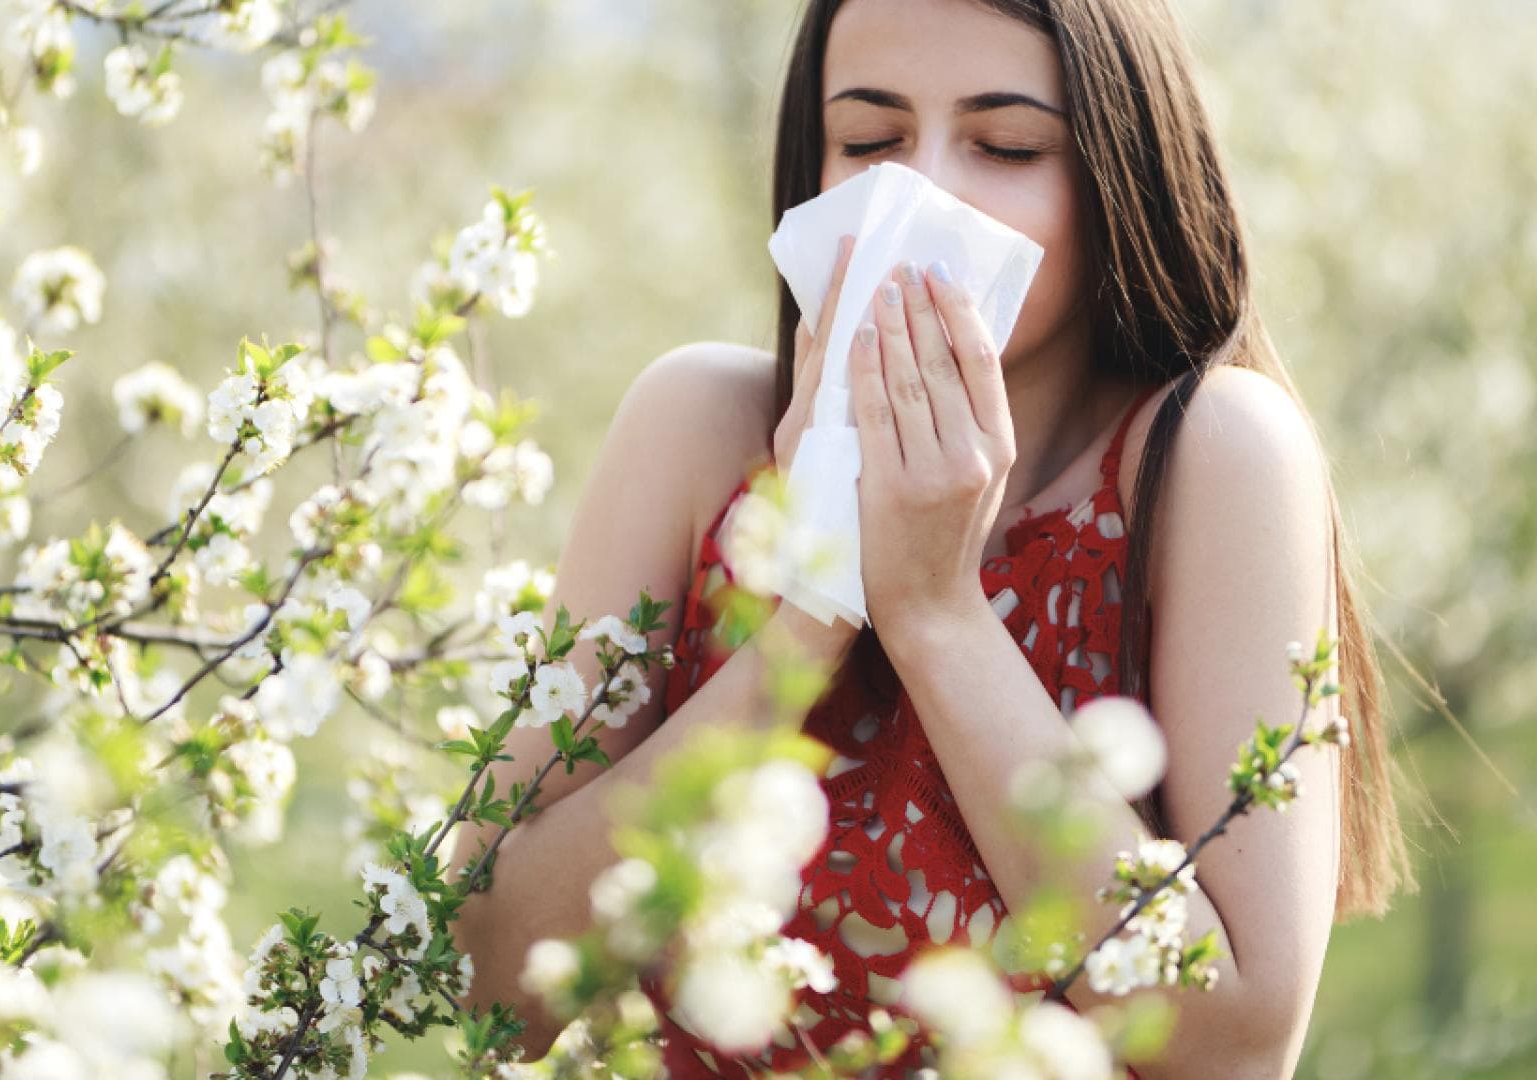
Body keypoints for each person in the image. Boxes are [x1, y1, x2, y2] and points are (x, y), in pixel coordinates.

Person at [451, 0, 1412, 1075]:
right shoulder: (694, 429)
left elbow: (1234, 1047)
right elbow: (491, 977)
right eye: (869, 141)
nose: (925, 192)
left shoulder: (1214, 458)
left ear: (1116, 173)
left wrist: (935, 611)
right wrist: (810, 610)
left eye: (1006, 145)